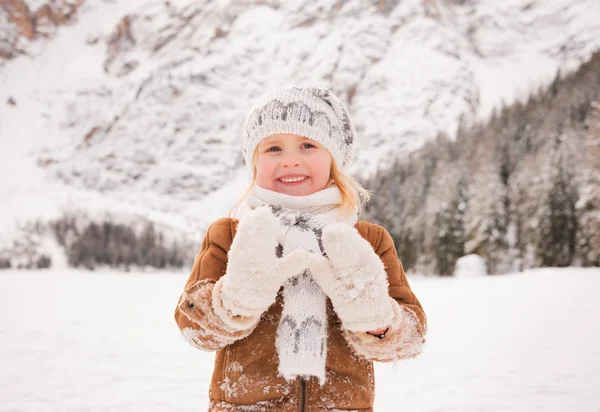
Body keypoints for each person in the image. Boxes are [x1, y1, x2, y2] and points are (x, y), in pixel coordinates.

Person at [174, 86, 427, 411]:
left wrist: (377, 319)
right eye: (273, 148)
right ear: (254, 163)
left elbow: (412, 336)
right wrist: (230, 303)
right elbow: (193, 328)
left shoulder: (367, 240)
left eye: (308, 145)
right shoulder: (230, 234)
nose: (290, 160)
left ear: (333, 158)